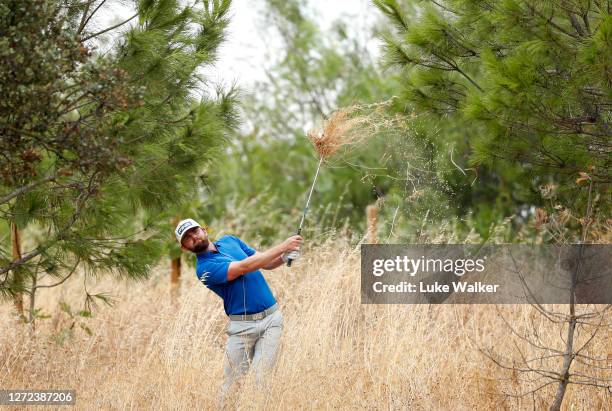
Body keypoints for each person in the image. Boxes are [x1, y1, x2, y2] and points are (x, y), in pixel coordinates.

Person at [174, 218, 303, 404]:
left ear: (204, 229)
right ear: (184, 248)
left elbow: (264, 262)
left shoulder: (230, 241)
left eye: (194, 231)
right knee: (231, 386)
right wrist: (283, 246)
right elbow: (245, 267)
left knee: (261, 381)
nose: (193, 236)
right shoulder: (203, 270)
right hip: (242, 328)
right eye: (187, 237)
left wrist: (283, 258)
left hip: (272, 321)